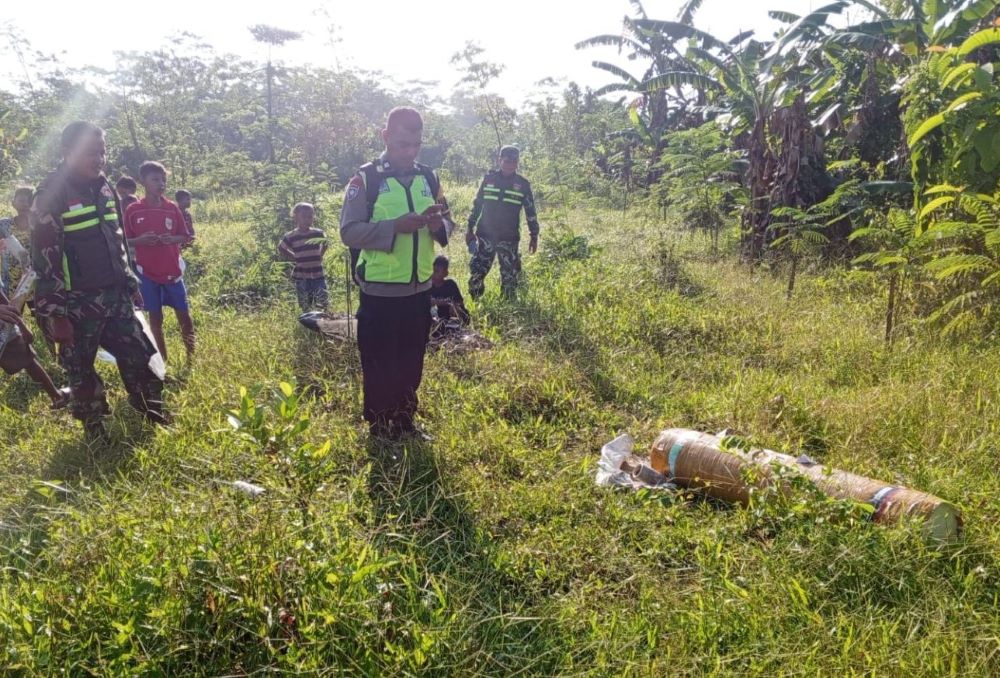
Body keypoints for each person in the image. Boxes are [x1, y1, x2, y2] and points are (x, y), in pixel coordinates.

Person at [30, 121, 168, 441]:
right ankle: (95, 434)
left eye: (102, 151)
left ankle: (153, 412)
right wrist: (57, 315)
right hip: (76, 303)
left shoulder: (104, 185)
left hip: (115, 294)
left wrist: (130, 282)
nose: (99, 159)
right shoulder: (50, 195)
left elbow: (117, 239)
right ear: (67, 152)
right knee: (81, 370)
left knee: (139, 354)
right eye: (91, 152)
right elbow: (44, 262)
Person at [340, 107, 452, 441]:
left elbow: (449, 223)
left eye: (416, 144)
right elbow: (349, 231)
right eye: (403, 144)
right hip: (379, 292)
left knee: (411, 361)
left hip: (419, 290)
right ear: (386, 137)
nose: (410, 151)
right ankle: (379, 428)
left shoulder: (429, 177)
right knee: (379, 363)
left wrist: (438, 224)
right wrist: (394, 227)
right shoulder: (366, 179)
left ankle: (404, 422)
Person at [124, 161, 196, 365]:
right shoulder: (133, 210)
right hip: (147, 274)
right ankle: (163, 360)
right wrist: (140, 240)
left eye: (163, 180)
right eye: (155, 179)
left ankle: (192, 357)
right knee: (155, 319)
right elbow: (124, 240)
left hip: (173, 272)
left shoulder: (172, 208)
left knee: (184, 316)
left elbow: (185, 236)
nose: (161, 184)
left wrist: (171, 239)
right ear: (142, 182)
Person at [466, 145, 541, 300]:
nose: (510, 165)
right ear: (499, 160)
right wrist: (469, 228)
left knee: (509, 277)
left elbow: (530, 212)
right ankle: (476, 302)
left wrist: (534, 235)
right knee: (477, 272)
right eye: (507, 161)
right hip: (485, 235)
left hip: (509, 237)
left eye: (513, 161)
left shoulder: (523, 184)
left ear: (517, 162)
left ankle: (507, 305)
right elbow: (477, 204)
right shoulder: (489, 179)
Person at [0, 296, 69, 409]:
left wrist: (22, 326)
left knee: (29, 362)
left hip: (5, 330)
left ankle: (56, 397)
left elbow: (10, 307)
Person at [278, 203, 328, 311]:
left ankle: (322, 318)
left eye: (310, 216)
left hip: (317, 273)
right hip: (302, 275)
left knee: (322, 301)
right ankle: (307, 318)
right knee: (305, 303)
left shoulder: (318, 233)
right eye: (303, 217)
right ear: (296, 217)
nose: (307, 219)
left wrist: (320, 254)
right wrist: (294, 256)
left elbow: (326, 243)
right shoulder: (291, 236)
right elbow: (281, 248)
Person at [1, 187, 33, 297]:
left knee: (36, 306)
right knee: (11, 307)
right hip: (10, 281)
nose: (26, 204)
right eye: (21, 201)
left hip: (33, 279)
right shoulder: (4, 225)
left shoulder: (38, 225)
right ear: (13, 203)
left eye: (29, 201)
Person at [430, 255, 470, 325]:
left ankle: (456, 325)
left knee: (455, 308)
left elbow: (460, 303)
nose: (433, 274)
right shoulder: (428, 287)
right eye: (431, 271)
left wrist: (451, 304)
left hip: (452, 316)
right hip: (439, 317)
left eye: (436, 271)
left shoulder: (450, 284)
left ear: (446, 273)